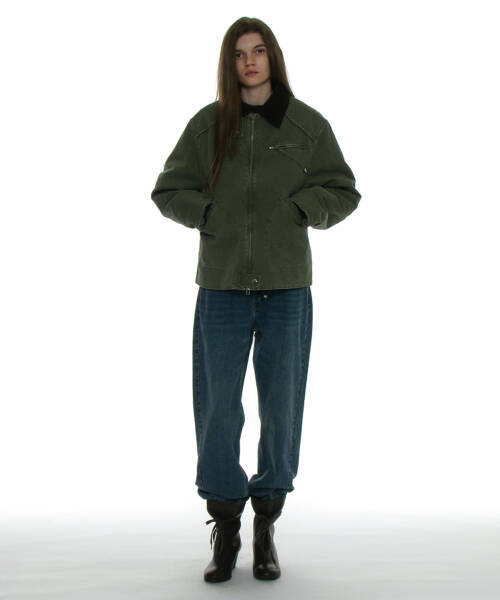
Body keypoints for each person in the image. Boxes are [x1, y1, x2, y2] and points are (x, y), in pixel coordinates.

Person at [150, 16, 362, 583]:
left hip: (286, 288)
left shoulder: (306, 125)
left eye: (259, 50)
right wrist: (207, 213)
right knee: (217, 410)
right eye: (240, 53)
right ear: (230, 63)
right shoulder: (208, 126)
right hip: (221, 288)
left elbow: (344, 190)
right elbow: (168, 190)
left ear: (273, 57)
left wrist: (302, 208)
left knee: (281, 408)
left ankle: (266, 524)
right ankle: (226, 527)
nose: (250, 61)